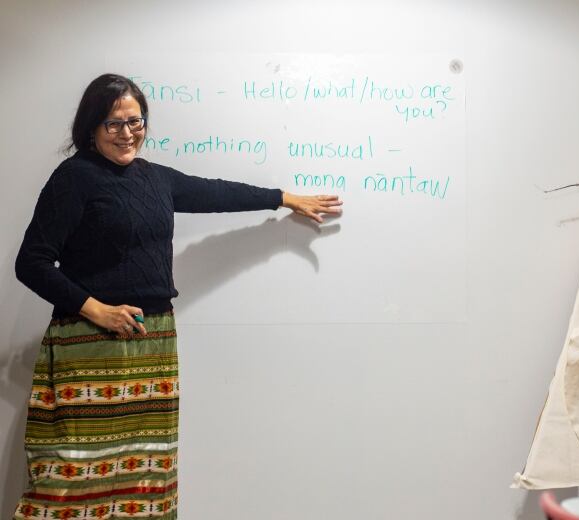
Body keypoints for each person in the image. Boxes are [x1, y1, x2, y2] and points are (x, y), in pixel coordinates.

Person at [12, 73, 342, 519]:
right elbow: (31, 262)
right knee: (74, 473)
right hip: (88, 344)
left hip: (154, 343)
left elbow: (217, 193)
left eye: (135, 121)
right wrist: (97, 310)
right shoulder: (74, 178)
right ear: (91, 127)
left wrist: (284, 198)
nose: (127, 133)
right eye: (113, 123)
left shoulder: (156, 178)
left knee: (147, 473)